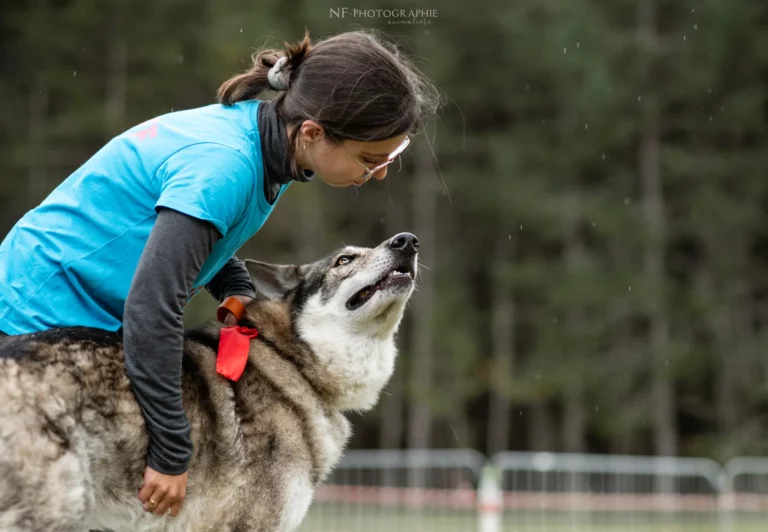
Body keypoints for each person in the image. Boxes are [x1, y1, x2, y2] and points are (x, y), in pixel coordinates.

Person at [0, 29, 440, 518]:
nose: (379, 173)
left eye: (390, 158)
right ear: (313, 133)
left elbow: (182, 234)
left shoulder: (269, 143)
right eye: (371, 158)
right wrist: (172, 449)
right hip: (34, 318)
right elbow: (151, 307)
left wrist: (232, 284)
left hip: (76, 322)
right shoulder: (226, 165)